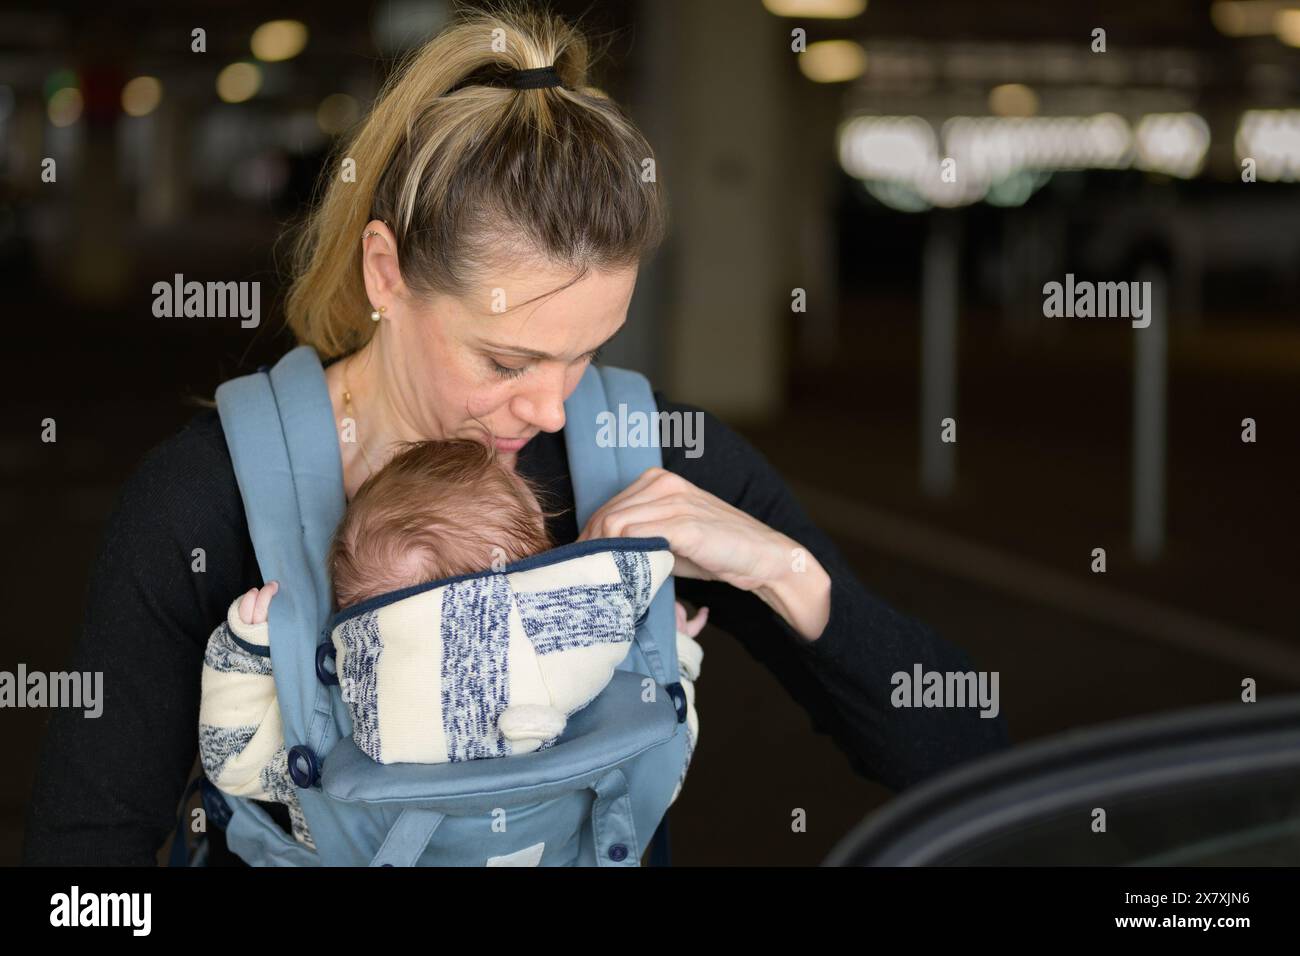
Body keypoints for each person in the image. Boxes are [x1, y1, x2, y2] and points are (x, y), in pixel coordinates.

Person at [22, 3, 1007, 866]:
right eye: (505, 361)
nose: (551, 407)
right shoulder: (207, 502)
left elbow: (973, 758)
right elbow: (82, 870)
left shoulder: (646, 456)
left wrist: (789, 575)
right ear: (383, 271)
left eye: (586, 353)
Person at [197, 437, 707, 850]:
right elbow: (665, 765)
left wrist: (249, 652)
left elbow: (234, 763)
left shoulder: (340, 725)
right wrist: (676, 655)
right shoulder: (589, 656)